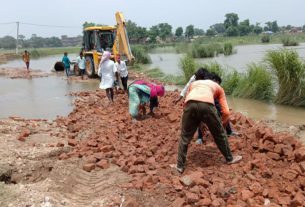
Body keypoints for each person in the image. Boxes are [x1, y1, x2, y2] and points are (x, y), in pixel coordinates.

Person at [171, 77, 242, 173]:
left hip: (189, 104)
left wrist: (198, 122)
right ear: (216, 82)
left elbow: (189, 102)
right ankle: (230, 158)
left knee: (184, 137)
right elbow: (226, 112)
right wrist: (222, 125)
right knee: (219, 134)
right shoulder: (219, 88)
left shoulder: (194, 84)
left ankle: (179, 166)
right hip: (207, 105)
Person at [174, 68, 210, 143]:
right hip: (192, 97)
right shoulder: (194, 78)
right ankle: (195, 135)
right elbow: (186, 87)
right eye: (197, 79)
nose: (198, 80)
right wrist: (179, 98)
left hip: (203, 97)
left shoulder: (206, 80)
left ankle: (201, 135)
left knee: (202, 117)